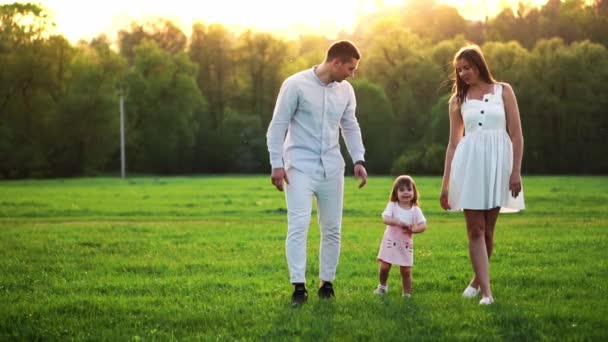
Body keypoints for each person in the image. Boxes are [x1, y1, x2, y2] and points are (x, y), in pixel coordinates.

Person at [266, 40, 368, 305]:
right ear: (335, 62)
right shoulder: (295, 85)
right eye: (350, 68)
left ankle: (326, 284)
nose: (352, 74)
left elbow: (350, 125)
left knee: (332, 228)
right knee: (299, 225)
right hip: (298, 166)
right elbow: (277, 126)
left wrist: (359, 159)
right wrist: (276, 163)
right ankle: (298, 287)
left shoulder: (346, 91)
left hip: (332, 168)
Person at [439, 44, 525, 305]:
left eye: (467, 67)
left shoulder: (504, 90)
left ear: (479, 65)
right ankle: (487, 293)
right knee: (474, 229)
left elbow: (517, 134)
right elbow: (453, 144)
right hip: (470, 165)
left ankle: (477, 282)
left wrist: (516, 172)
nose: (463, 73)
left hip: (499, 163)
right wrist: (445, 185)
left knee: (488, 230)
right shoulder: (457, 101)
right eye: (459, 69)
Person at [373, 175, 427, 298]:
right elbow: (385, 218)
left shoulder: (415, 210)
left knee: (406, 270)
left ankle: (406, 294)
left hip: (405, 244)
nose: (406, 193)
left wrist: (414, 229)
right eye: (401, 190)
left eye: (409, 189)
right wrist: (396, 222)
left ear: (414, 191)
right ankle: (382, 287)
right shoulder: (392, 205)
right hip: (390, 242)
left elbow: (423, 225)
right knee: (385, 267)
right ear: (396, 193)